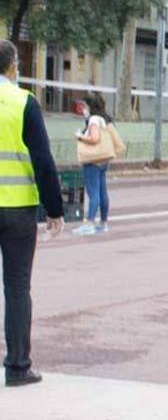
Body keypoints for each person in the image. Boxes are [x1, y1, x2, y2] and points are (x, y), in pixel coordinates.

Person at [0, 39, 63, 387]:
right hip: (18, 209)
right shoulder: (23, 102)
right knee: (17, 286)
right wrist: (55, 208)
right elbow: (43, 160)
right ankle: (18, 366)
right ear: (12, 67)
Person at [73, 93, 115, 235]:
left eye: (84, 106)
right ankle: (103, 223)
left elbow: (95, 138)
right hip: (103, 160)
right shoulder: (104, 118)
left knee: (93, 192)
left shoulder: (94, 120)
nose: (83, 109)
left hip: (93, 160)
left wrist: (80, 137)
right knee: (103, 192)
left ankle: (89, 223)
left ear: (90, 106)